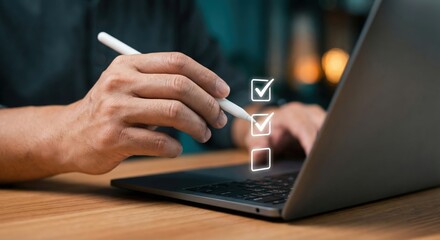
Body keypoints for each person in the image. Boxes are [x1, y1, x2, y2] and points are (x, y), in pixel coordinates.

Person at [0, 0, 326, 183]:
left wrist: (267, 122)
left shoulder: (169, 6)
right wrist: (70, 131)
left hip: (145, 212)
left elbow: (227, 96)